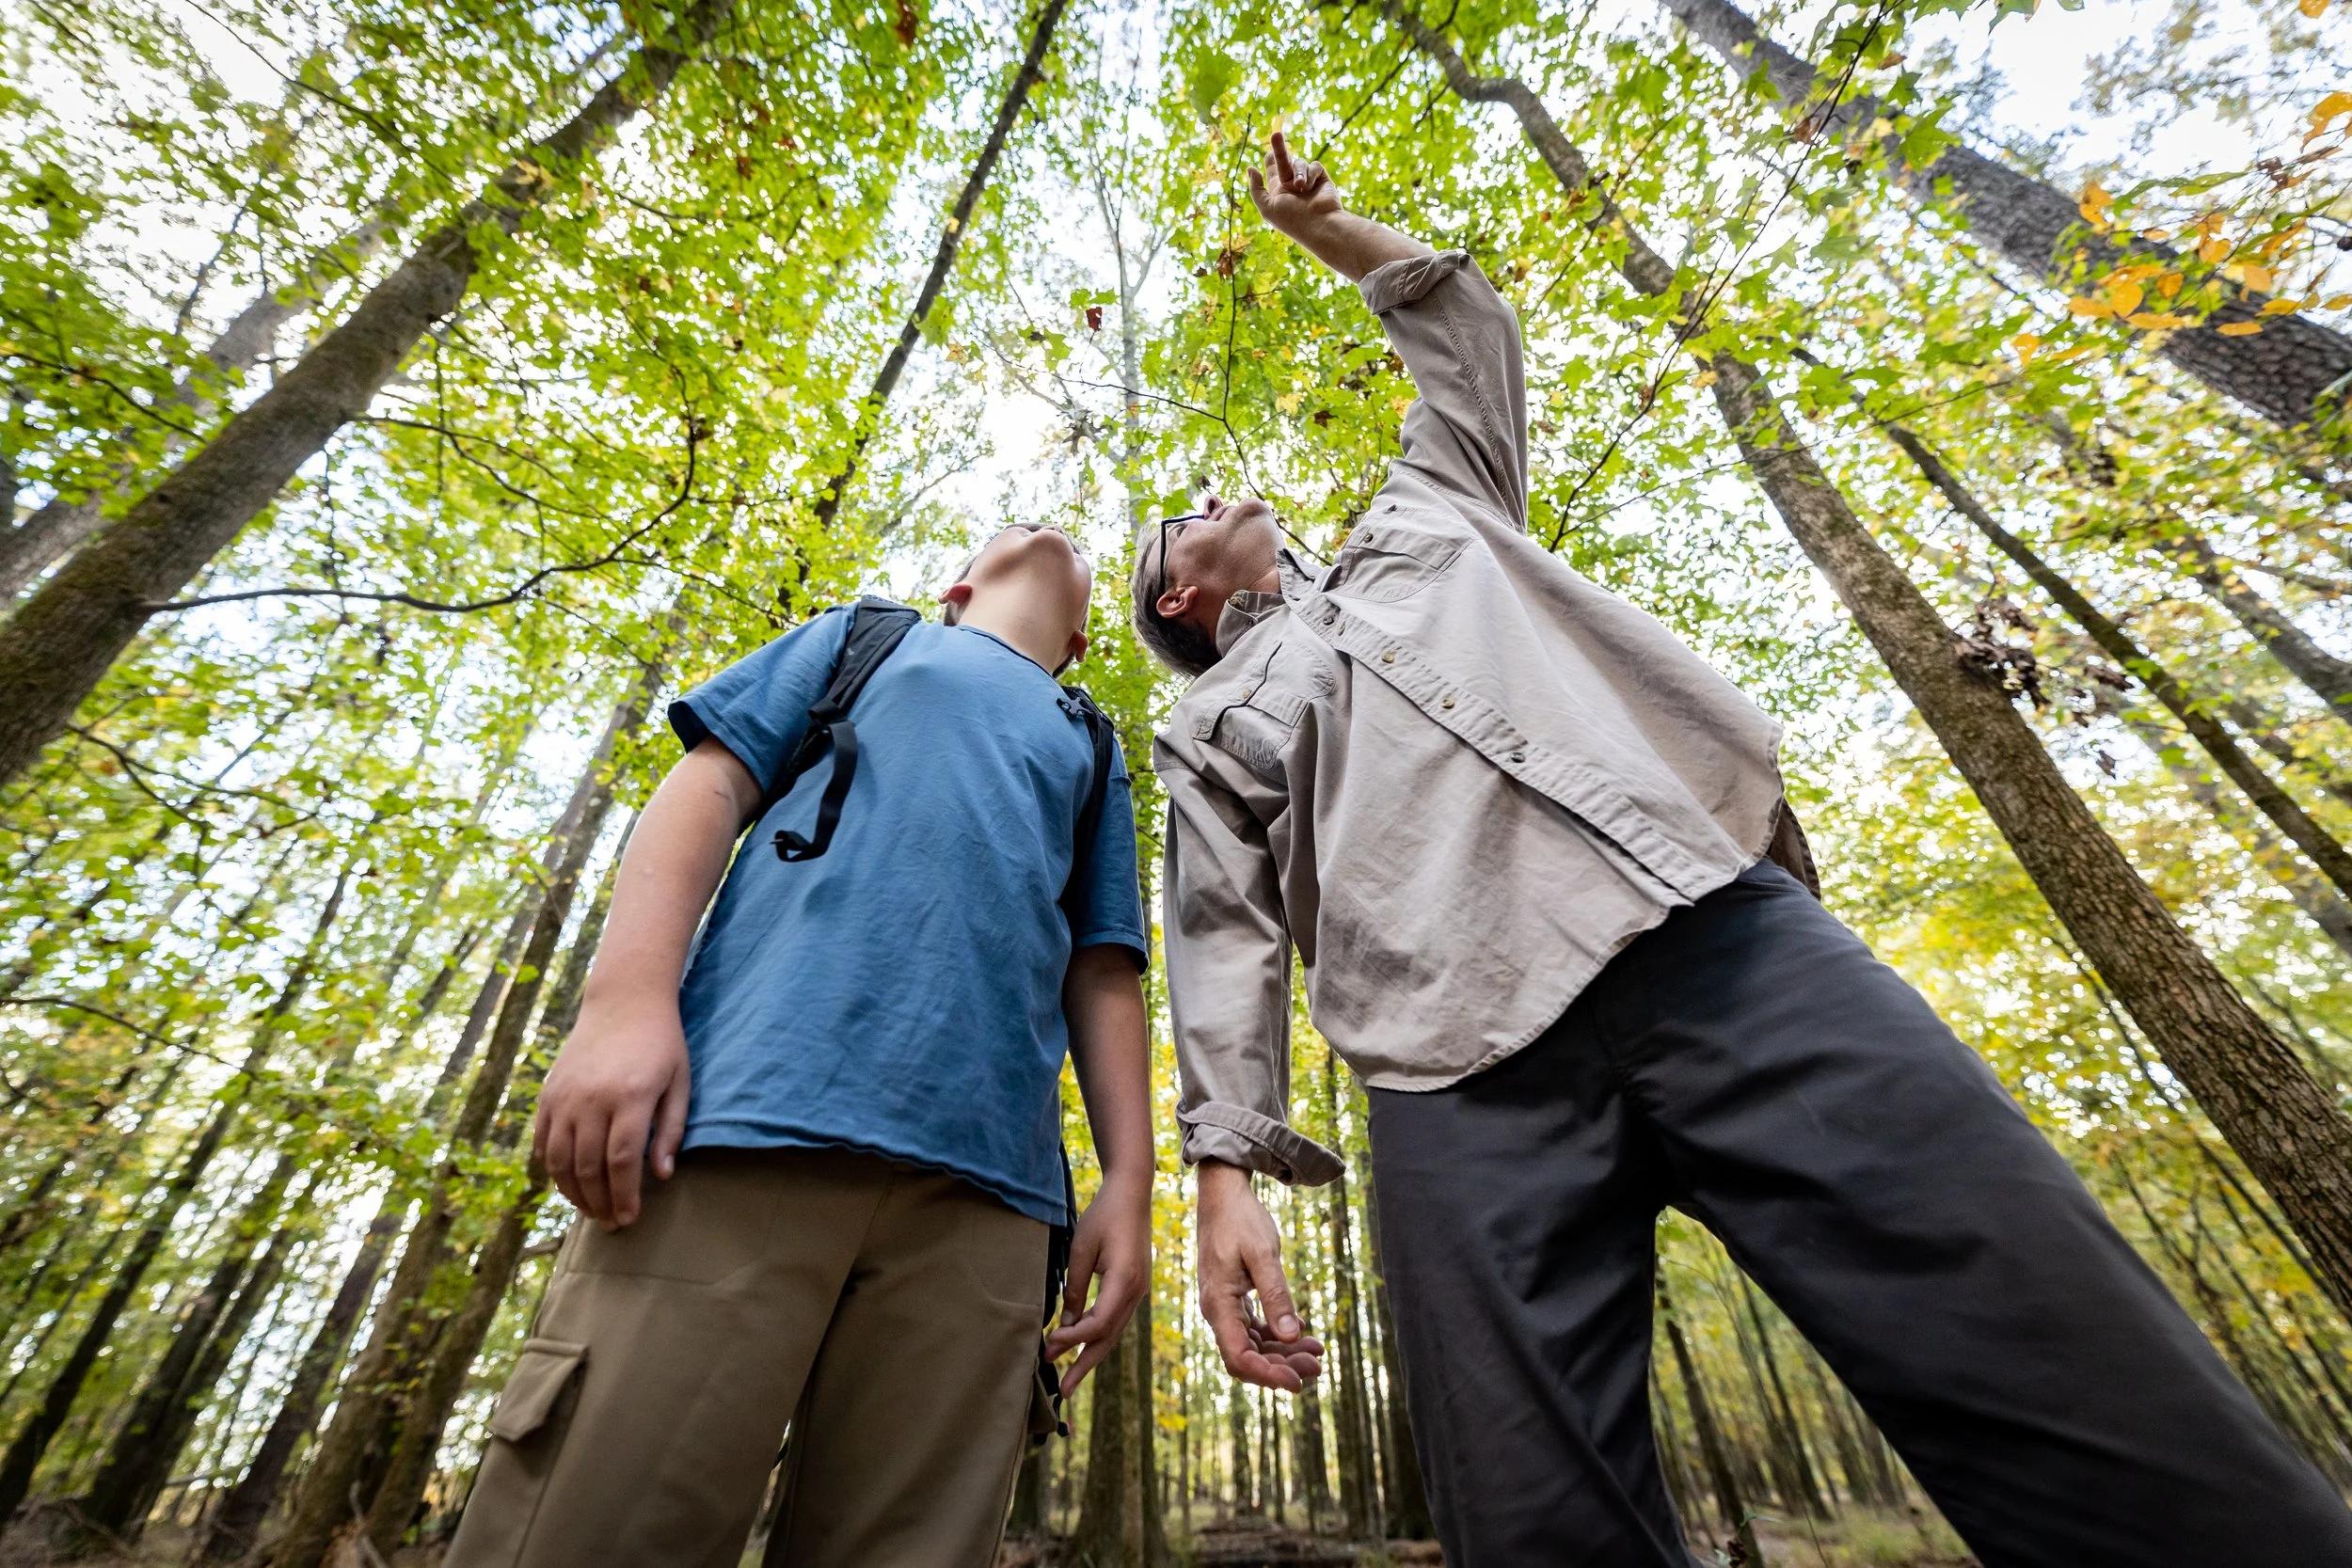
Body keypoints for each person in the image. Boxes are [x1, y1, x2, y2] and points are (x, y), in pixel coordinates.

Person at [1134, 132, 2352, 1568]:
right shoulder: (1208, 717)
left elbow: (1468, 333)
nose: (1219, 491)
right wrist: (1223, 1174)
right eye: (1186, 515)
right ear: (1181, 600)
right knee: (1531, 1511)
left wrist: (1330, 235)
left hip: (1718, 938)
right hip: (1451, 1070)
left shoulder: (1429, 513)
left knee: (2053, 1331)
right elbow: (1222, 936)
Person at [446, 521, 1153, 1568]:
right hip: (741, 1124)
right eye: (1008, 530)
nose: (1043, 527)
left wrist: (1128, 1181)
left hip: (990, 1210)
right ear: (958, 587)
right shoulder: (866, 638)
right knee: (599, 1517)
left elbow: (1102, 966)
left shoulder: (1091, 742)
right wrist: (626, 1000)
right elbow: (712, 782)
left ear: (1084, 640)